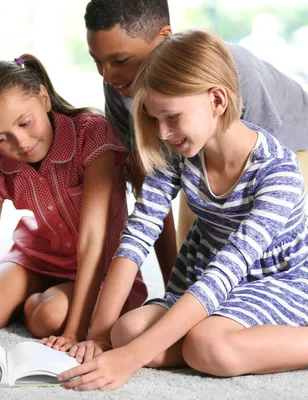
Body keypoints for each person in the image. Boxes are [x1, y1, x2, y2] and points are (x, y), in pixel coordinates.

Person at [59, 29, 308, 391]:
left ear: (218, 100)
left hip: (276, 282)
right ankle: (200, 338)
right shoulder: (181, 153)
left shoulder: (278, 174)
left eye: (172, 117)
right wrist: (99, 337)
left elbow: (227, 272)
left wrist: (130, 360)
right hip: (205, 276)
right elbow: (136, 237)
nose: (162, 133)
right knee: (125, 330)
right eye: (154, 119)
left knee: (207, 346)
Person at [0, 54, 148, 351]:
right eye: (1, 139)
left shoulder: (91, 133)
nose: (20, 142)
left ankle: (35, 301)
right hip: (33, 261)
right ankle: (17, 289)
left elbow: (91, 240)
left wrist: (72, 333)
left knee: (47, 316)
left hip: (99, 268)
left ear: (44, 98)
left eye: (24, 123)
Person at [84, 0, 308, 260]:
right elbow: (149, 194)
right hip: (202, 157)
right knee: (189, 261)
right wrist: (171, 286)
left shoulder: (237, 73)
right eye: (97, 62)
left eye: (120, 60)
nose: (107, 76)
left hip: (290, 148)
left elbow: (263, 172)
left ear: (163, 37)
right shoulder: (119, 88)